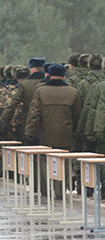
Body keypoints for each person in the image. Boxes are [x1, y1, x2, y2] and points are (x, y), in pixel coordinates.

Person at [25, 64, 82, 196]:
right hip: (65, 132)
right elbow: (77, 114)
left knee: (44, 159)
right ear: (64, 75)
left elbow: (34, 114)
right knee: (64, 159)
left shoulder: (40, 91)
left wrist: (30, 132)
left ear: (49, 74)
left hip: (45, 132)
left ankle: (45, 189)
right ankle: (60, 189)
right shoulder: (73, 92)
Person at [0, 58, 46, 142]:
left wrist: (2, 120)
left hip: (29, 124)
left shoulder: (25, 84)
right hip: (47, 124)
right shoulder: (48, 83)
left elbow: (13, 103)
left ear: (31, 69)